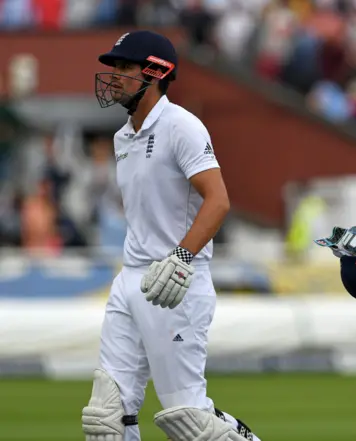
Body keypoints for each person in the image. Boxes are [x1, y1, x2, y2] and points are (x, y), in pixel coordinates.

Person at [82, 30, 260, 441]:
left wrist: (180, 258)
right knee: (105, 417)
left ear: (155, 72)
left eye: (125, 67)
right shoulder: (122, 136)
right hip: (130, 280)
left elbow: (217, 200)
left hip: (176, 282)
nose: (115, 76)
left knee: (187, 418)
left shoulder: (182, 126)